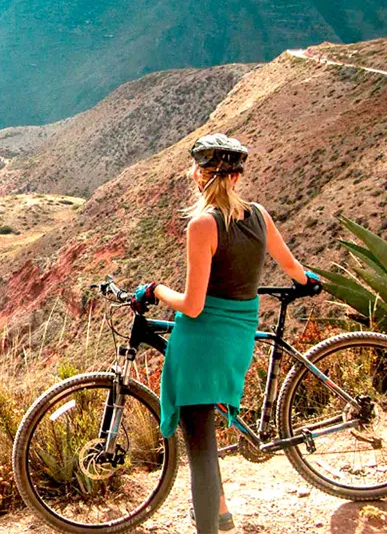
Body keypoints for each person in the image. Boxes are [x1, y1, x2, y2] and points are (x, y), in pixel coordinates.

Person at [132, 133, 320, 533]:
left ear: (200, 176)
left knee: (200, 449)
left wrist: (154, 290)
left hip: (201, 342)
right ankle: (221, 513)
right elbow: (292, 267)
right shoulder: (259, 215)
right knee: (207, 439)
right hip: (238, 337)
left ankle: (209, 528)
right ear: (236, 177)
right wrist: (309, 280)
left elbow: (194, 305)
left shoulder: (203, 225)